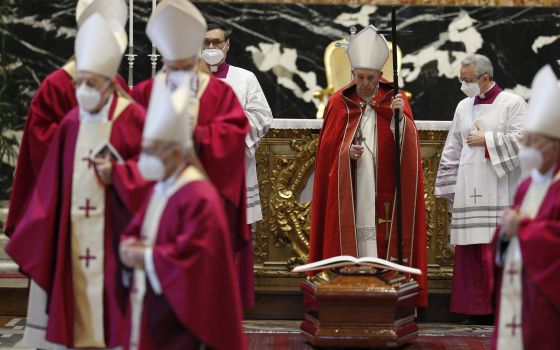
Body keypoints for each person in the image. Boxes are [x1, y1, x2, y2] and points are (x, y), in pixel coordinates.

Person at [6, 14, 147, 349]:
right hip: (73, 231)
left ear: (110, 82)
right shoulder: (71, 122)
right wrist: (45, 224)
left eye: (91, 83)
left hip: (115, 231)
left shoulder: (134, 117)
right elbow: (49, 183)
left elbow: (151, 172)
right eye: (79, 82)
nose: (82, 91)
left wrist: (121, 175)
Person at [131, 0, 252, 306]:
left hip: (205, 198)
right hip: (156, 198)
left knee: (203, 289)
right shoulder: (145, 92)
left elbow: (233, 136)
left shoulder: (219, 92)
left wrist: (196, 134)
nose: (178, 67)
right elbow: (128, 139)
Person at [119, 74, 245, 350]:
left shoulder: (199, 195)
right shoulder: (161, 187)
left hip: (183, 318)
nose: (146, 158)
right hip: (154, 304)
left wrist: (145, 256)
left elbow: (195, 260)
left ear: (177, 151)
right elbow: (139, 228)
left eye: (153, 151)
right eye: (145, 149)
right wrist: (127, 245)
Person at [308, 25, 428, 307]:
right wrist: (345, 153)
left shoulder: (394, 99)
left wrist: (400, 118)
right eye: (360, 77)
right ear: (353, 75)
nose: (364, 83)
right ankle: (347, 287)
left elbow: (408, 147)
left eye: (370, 78)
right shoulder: (339, 101)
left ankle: (387, 292)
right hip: (352, 185)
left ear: (379, 76)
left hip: (384, 187)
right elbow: (327, 149)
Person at [5, 0, 129, 237]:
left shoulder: (118, 85)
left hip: (108, 194)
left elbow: (132, 133)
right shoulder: (56, 85)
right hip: (64, 195)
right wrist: (85, 140)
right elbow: (39, 138)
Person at [435, 54, 527, 322]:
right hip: (469, 188)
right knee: (470, 251)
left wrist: (486, 139)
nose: (463, 86)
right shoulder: (463, 106)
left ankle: (497, 310)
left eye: (468, 80)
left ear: (484, 78)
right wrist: (449, 187)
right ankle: (472, 309)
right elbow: (453, 147)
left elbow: (525, 142)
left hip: (501, 190)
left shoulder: (513, 103)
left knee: (494, 249)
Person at [201, 22, 273, 307]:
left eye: (216, 43)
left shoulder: (245, 79)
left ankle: (231, 300)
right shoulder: (186, 80)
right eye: (206, 43)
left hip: (235, 170)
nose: (211, 49)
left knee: (233, 232)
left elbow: (262, 116)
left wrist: (229, 131)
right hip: (198, 169)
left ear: (227, 45)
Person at [491, 65, 560, 350]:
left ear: (554, 146)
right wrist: (505, 235)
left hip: (547, 300)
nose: (526, 147)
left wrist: (524, 229)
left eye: (533, 141)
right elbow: (507, 234)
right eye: (526, 140)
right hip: (517, 290)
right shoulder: (526, 185)